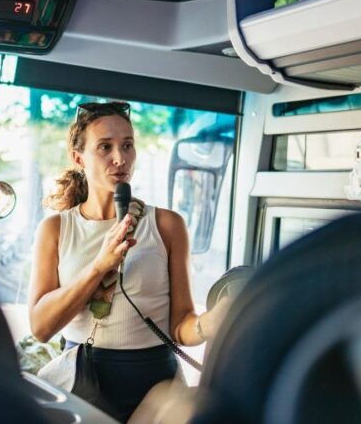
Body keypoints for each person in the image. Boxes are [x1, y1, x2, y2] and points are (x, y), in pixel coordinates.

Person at [28, 101, 232, 422]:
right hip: (83, 377)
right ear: (79, 158)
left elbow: (180, 327)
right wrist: (99, 266)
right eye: (105, 147)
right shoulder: (56, 229)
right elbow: (41, 328)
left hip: (155, 383)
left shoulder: (166, 225)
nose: (120, 158)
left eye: (127, 145)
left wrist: (212, 322)